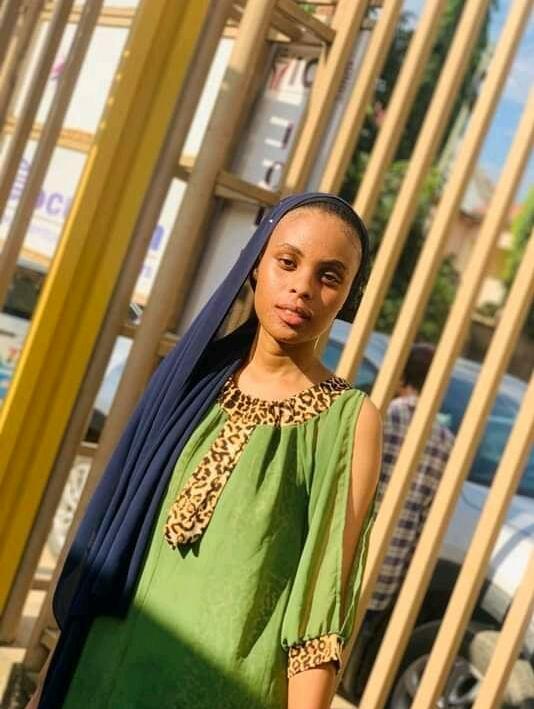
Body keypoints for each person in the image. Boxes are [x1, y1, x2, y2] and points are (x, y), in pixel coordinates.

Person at [32, 193, 383, 709]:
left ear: (349, 296)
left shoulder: (347, 422)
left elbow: (320, 605)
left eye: (330, 276)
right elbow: (110, 552)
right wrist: (49, 684)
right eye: (287, 262)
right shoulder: (190, 385)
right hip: (102, 676)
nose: (303, 287)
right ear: (256, 265)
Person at [339, 343, 456, 702]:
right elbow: (428, 516)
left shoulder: (384, 415)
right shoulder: (446, 440)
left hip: (351, 549)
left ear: (403, 375)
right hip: (390, 567)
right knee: (355, 642)